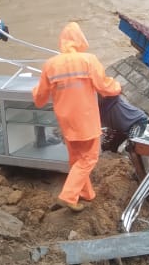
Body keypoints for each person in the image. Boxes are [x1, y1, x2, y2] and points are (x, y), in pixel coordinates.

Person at [33, 22, 121, 212]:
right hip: (86, 119)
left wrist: (34, 92)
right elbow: (105, 87)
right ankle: (68, 195)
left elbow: (40, 97)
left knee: (76, 159)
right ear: (80, 40)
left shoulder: (50, 65)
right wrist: (117, 87)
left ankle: (86, 193)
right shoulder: (88, 60)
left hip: (66, 120)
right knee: (89, 158)